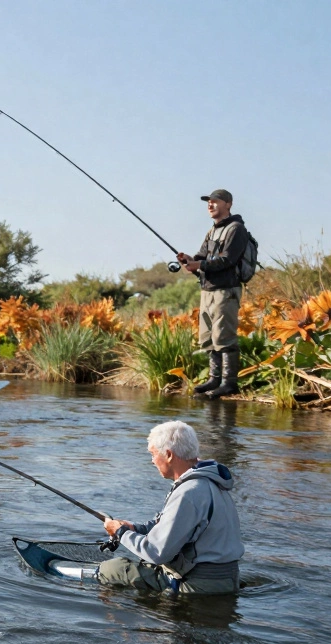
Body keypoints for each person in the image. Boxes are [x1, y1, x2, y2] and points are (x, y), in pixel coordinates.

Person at [98, 421, 243, 595]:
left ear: (168, 455)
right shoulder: (211, 483)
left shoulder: (188, 493)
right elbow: (175, 526)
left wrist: (121, 533)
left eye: (153, 454)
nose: (152, 461)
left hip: (199, 585)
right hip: (226, 580)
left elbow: (156, 552)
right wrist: (135, 529)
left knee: (111, 568)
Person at [177, 189, 252, 398]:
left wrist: (199, 263)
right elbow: (202, 256)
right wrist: (188, 260)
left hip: (226, 290)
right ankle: (214, 379)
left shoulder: (236, 229)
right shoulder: (212, 231)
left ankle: (229, 383)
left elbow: (227, 259)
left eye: (215, 202)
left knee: (224, 336)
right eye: (208, 203)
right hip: (208, 290)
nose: (210, 205)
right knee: (209, 336)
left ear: (228, 204)